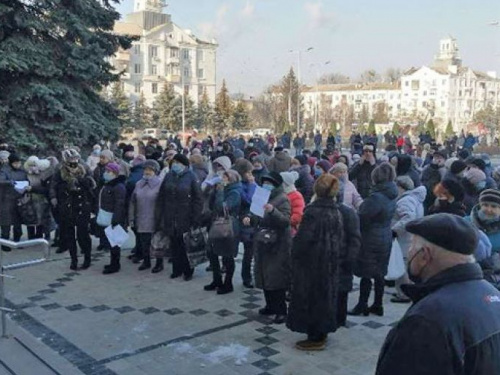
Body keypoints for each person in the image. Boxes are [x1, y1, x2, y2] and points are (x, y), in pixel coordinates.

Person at [375, 214, 500, 375]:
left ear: (424, 255)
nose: (409, 252)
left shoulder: (426, 321)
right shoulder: (492, 293)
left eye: (412, 245)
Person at [287, 174, 343, 351]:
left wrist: (294, 253)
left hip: (312, 264)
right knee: (325, 297)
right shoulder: (336, 211)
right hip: (330, 262)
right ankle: (322, 332)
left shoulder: (313, 211)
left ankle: (315, 336)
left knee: (311, 298)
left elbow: (303, 240)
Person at [349, 163, 398, 316]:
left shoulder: (376, 197)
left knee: (366, 273)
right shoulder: (392, 194)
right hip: (385, 236)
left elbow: (362, 217)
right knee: (380, 273)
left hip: (370, 237)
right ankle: (378, 304)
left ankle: (362, 304)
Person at [243, 172, 291, 324]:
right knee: (264, 275)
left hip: (277, 244)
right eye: (264, 182)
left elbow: (285, 221)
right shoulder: (261, 196)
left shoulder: (282, 199)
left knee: (276, 277)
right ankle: (270, 305)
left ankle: (281, 310)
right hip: (262, 241)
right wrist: (249, 218)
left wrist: (273, 210)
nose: (266, 185)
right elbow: (255, 215)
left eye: (270, 183)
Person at [156, 154, 203, 281]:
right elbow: (161, 196)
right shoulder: (169, 176)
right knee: (174, 243)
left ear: (184, 164)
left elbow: (198, 199)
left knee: (185, 244)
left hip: (186, 215)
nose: (175, 165)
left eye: (178, 162)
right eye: (173, 162)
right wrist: (159, 215)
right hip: (170, 215)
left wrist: (196, 217)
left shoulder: (191, 177)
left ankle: (188, 270)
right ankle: (176, 269)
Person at [50, 149, 95, 270]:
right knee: (69, 234)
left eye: (75, 158)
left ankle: (87, 258)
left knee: (83, 234)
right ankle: (73, 259)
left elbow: (91, 183)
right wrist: (55, 197)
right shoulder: (60, 170)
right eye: (71, 159)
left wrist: (81, 180)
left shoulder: (83, 167)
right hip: (67, 205)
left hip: (82, 204)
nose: (74, 161)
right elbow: (54, 185)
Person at [204, 170, 242, 295]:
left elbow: (223, 207)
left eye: (226, 177)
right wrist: (213, 191)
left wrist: (220, 192)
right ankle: (216, 280)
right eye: (223, 176)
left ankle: (228, 283)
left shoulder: (235, 192)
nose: (223, 179)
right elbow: (211, 205)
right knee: (212, 253)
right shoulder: (221, 189)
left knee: (227, 255)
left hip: (228, 226)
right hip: (215, 223)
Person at [391, 176, 426, 303]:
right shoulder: (414, 198)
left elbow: (408, 218)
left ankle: (404, 294)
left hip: (404, 238)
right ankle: (405, 291)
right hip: (410, 237)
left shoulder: (405, 200)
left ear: (401, 187)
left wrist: (394, 229)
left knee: (402, 266)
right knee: (406, 265)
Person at [129, 160, 162, 272]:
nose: (147, 172)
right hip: (142, 216)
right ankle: (146, 261)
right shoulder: (139, 184)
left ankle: (159, 263)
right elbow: (133, 202)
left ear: (155, 171)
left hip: (155, 217)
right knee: (144, 241)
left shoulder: (160, 184)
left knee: (157, 242)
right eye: (145, 169)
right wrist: (131, 217)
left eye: (150, 170)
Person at [96, 163, 127, 274]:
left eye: (109, 172)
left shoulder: (119, 186)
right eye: (106, 171)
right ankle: (112, 263)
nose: (106, 173)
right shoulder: (107, 184)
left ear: (115, 173)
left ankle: (115, 265)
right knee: (111, 242)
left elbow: (120, 204)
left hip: (114, 218)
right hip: (106, 216)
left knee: (115, 244)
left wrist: (116, 219)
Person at [232, 158, 257, 288]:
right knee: (234, 250)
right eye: (249, 172)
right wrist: (252, 185)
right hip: (240, 220)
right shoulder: (238, 184)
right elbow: (248, 200)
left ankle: (246, 277)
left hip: (251, 220)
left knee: (249, 251)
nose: (251, 175)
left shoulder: (250, 183)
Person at [24, 157, 55, 241]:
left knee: (42, 218)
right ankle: (31, 237)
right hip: (29, 199)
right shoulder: (25, 174)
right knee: (29, 218)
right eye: (30, 165)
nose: (32, 167)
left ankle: (39, 235)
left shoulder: (43, 174)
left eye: (34, 165)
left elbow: (46, 188)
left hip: (42, 199)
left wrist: (33, 188)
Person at [0, 154, 26, 250]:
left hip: (18, 199)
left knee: (17, 222)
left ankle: (17, 240)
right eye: (15, 163)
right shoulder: (4, 170)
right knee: (6, 223)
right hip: (6, 199)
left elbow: (26, 179)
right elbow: (1, 180)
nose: (17, 165)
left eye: (19, 163)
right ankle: (5, 243)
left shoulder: (22, 171)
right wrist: (10, 182)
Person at [280, 171, 304, 237]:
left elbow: (297, 215)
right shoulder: (281, 194)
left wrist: (284, 222)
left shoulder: (296, 196)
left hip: (289, 230)